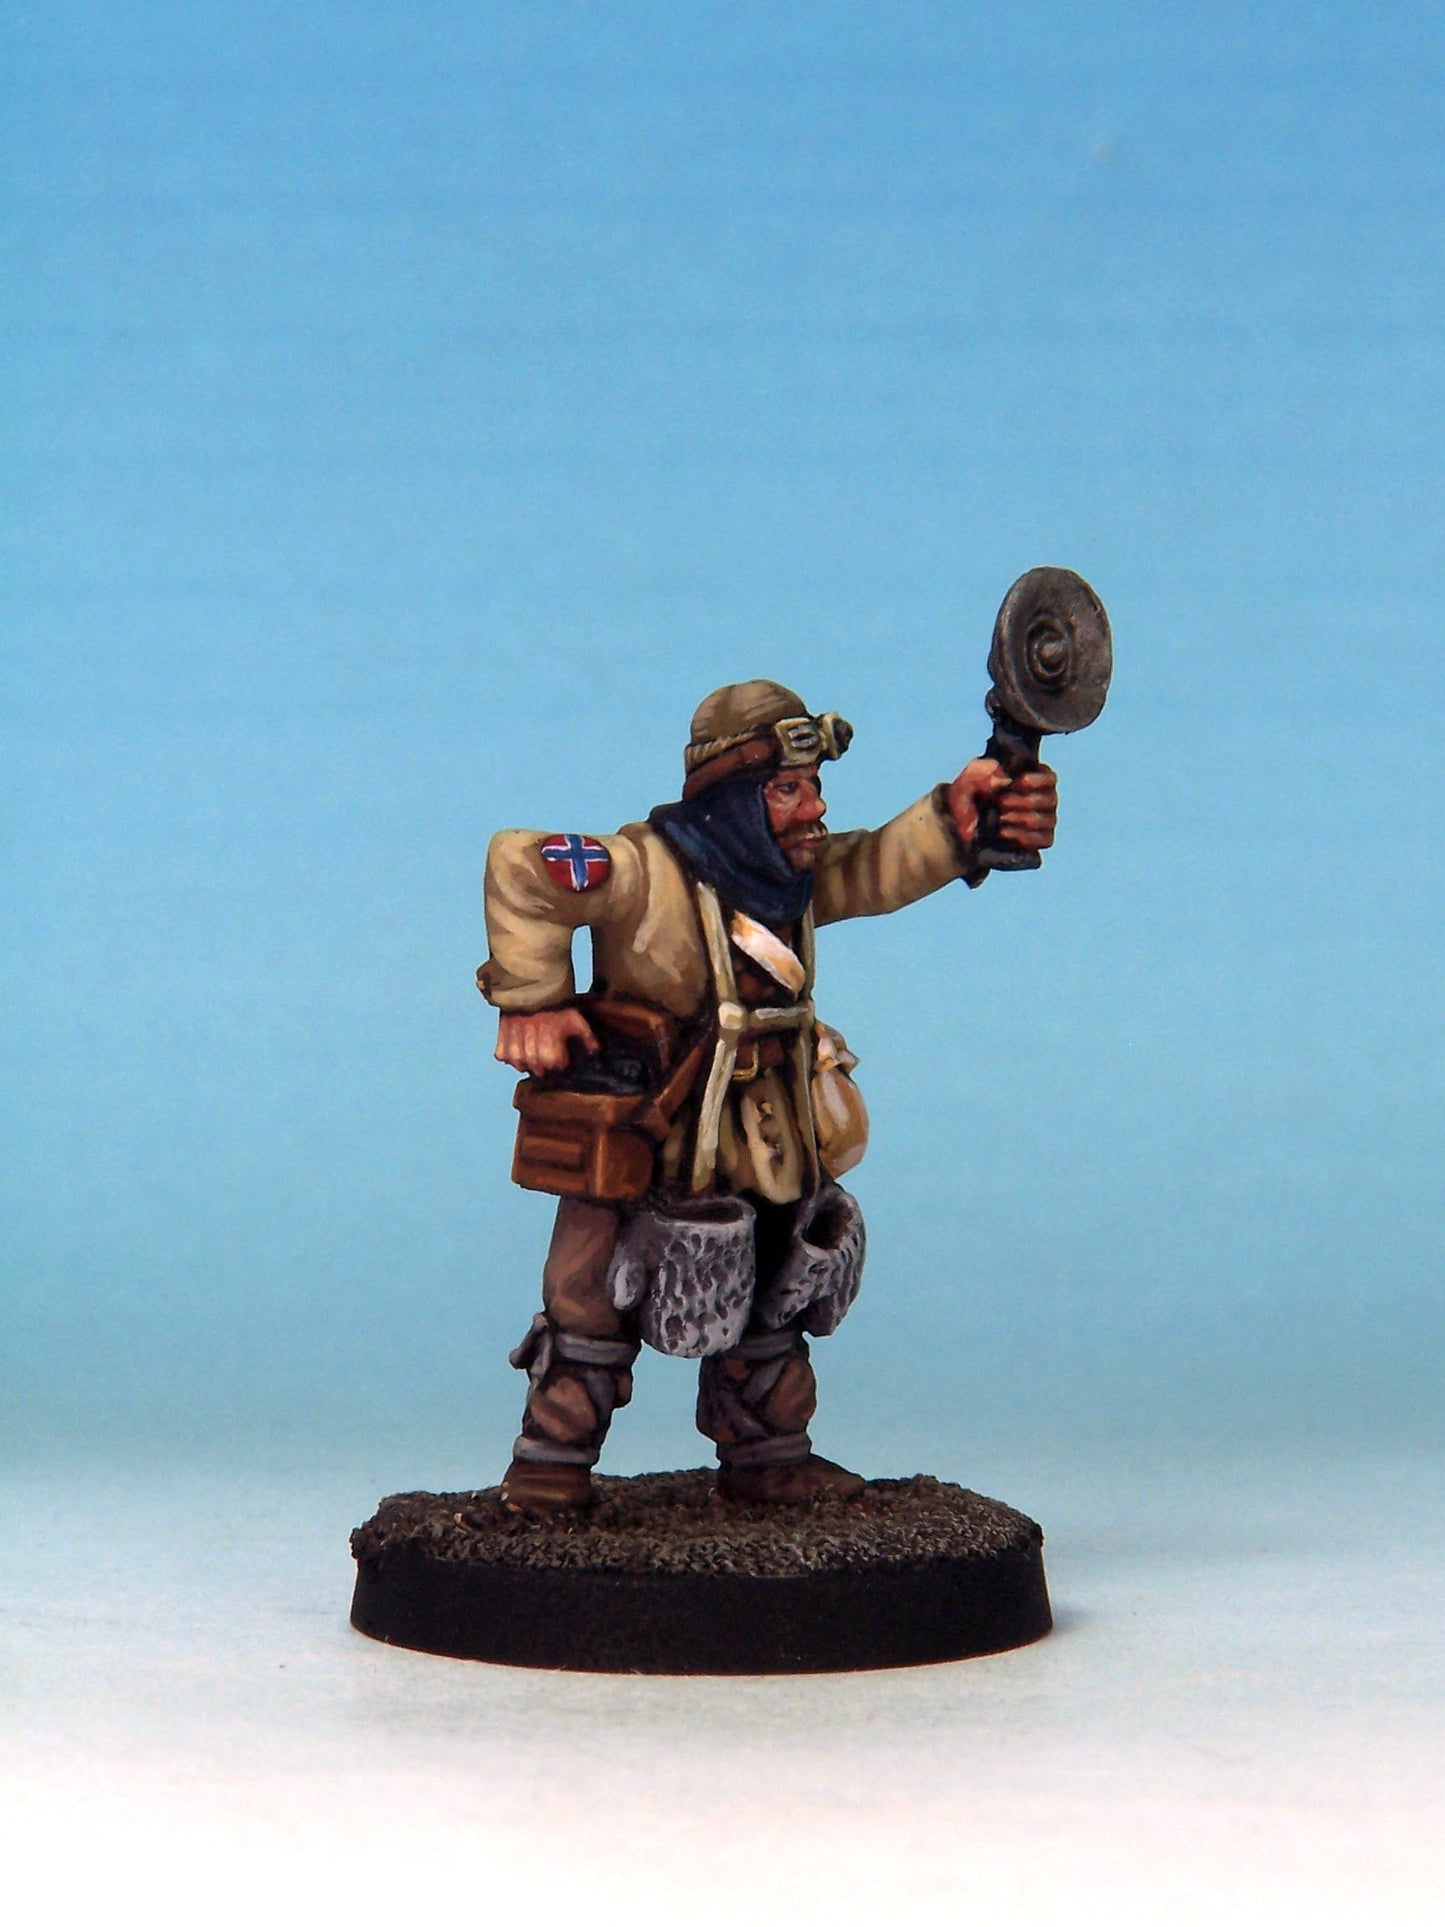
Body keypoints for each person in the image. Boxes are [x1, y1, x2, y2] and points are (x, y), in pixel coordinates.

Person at [477, 680, 1057, 1514]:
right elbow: (519, 864)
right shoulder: (643, 869)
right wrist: (533, 999)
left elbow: (876, 865)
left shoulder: (790, 877)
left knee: (772, 1290)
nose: (812, 807)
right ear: (733, 795)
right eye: (788, 789)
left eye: (813, 786)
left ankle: (769, 1460)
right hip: (648, 1124)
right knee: (589, 1300)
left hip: (764, 1126)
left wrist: (957, 817)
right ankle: (549, 1469)